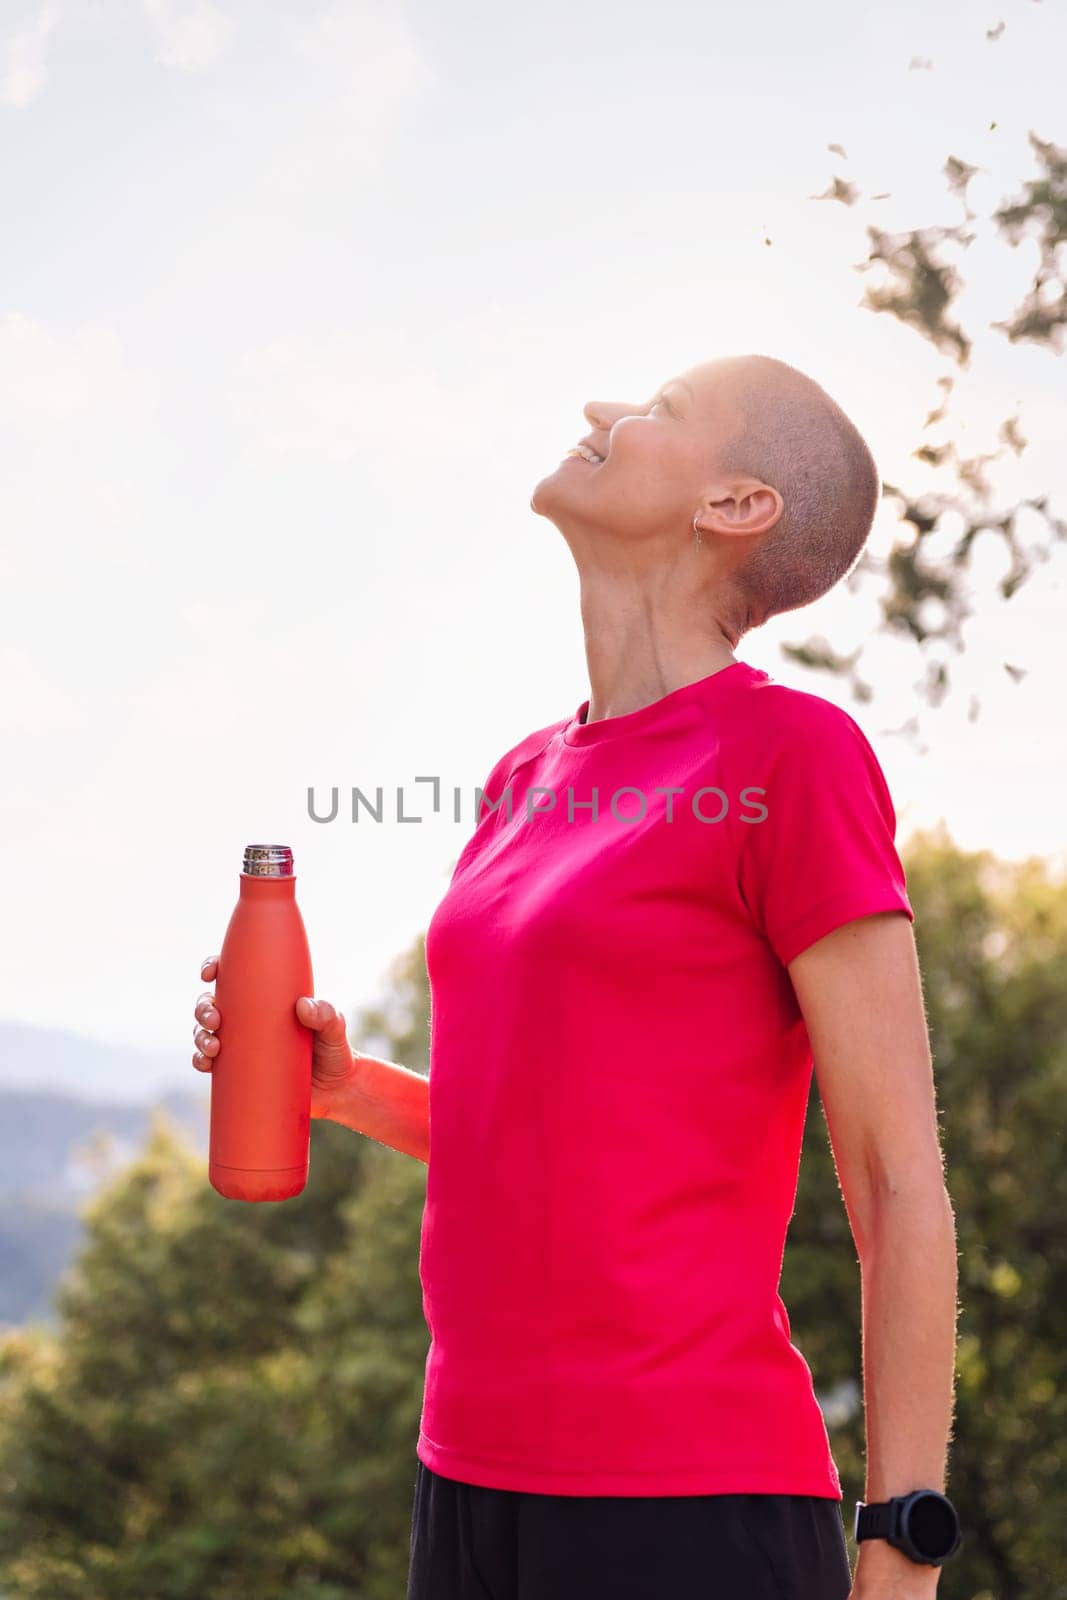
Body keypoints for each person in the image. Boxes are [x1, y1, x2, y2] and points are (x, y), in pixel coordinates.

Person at [192, 353, 960, 1599]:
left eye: (657, 411)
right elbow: (565, 1137)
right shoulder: (518, 777)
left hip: (685, 1504)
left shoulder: (793, 757)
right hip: (470, 1480)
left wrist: (899, 1544)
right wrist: (353, 1091)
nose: (603, 413)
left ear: (734, 507)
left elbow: (892, 1179)